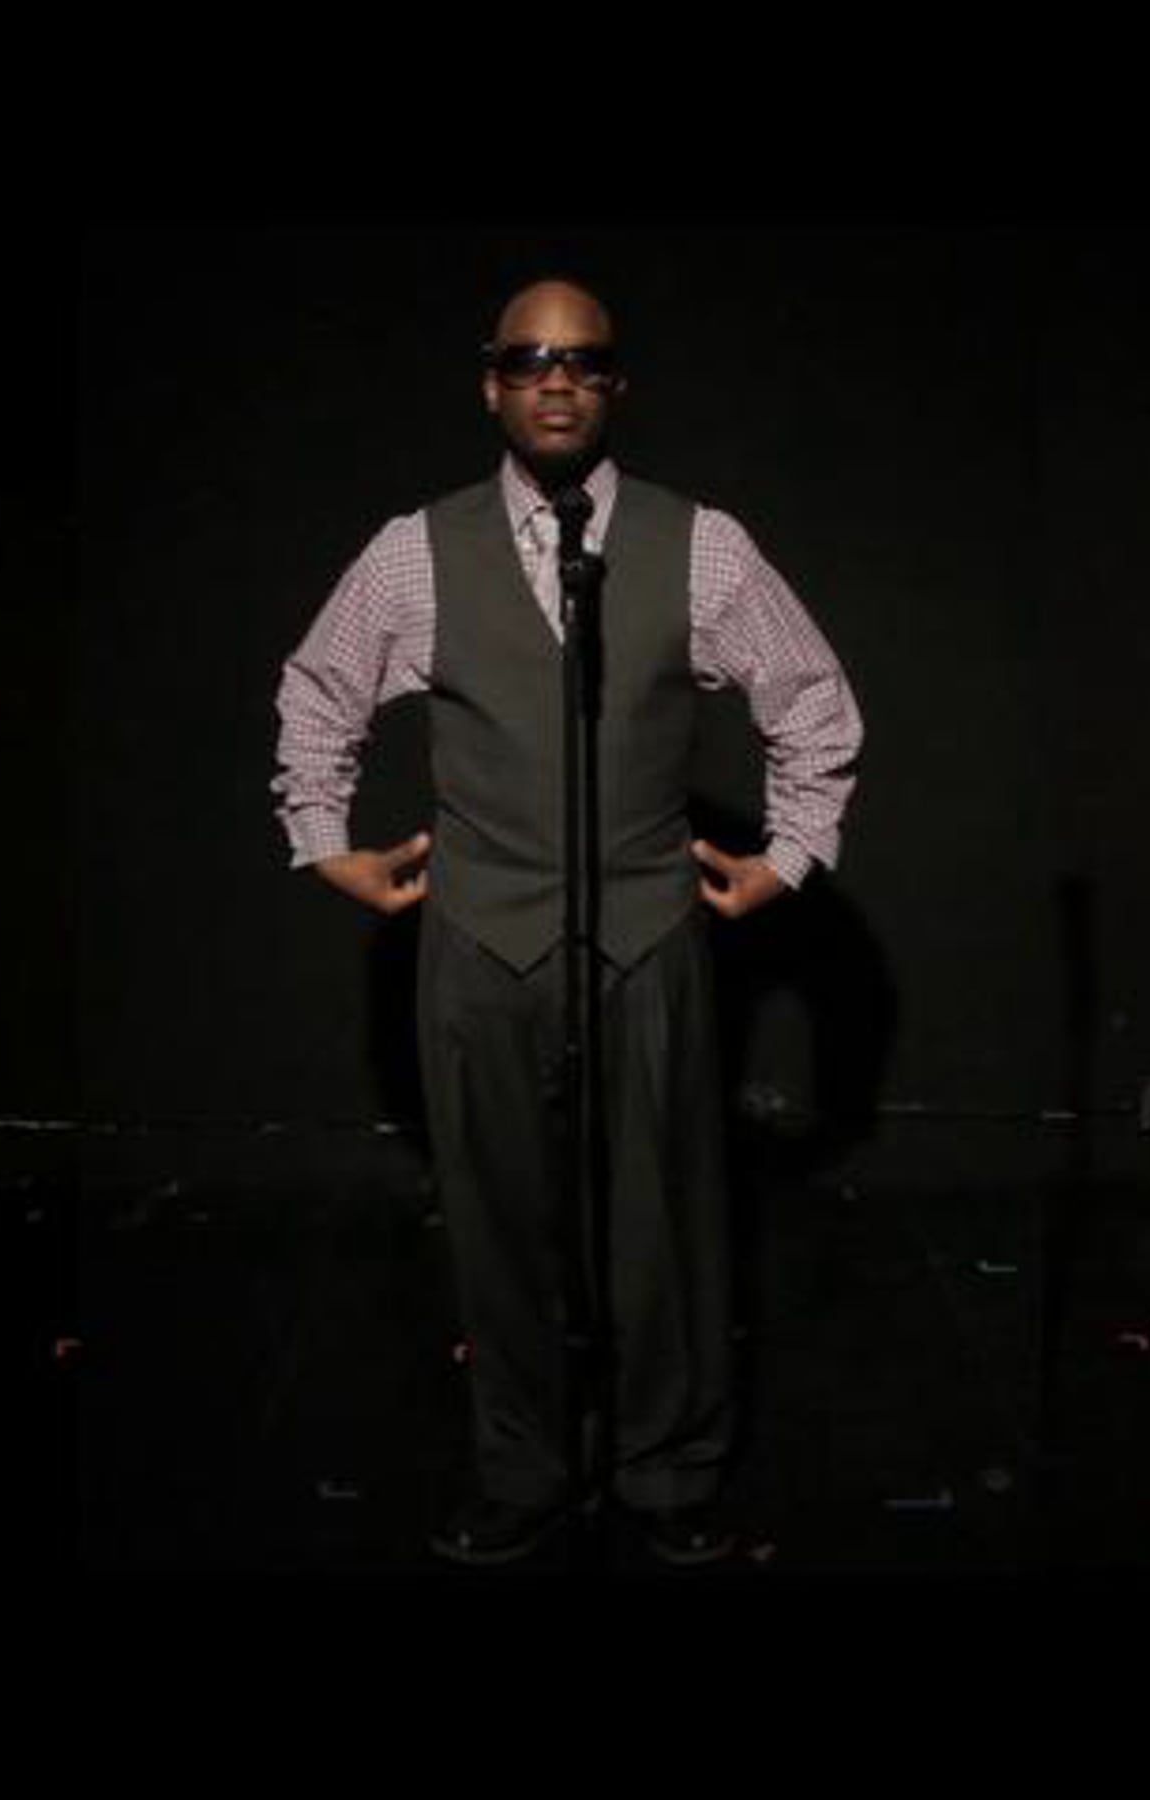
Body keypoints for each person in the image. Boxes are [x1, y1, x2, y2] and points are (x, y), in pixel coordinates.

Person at [272, 278, 863, 1564]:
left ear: (615, 387)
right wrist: (326, 843)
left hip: (648, 930)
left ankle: (668, 1469)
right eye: (530, 359)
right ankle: (523, 1464)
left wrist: (791, 854)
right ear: (492, 383)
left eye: (583, 362)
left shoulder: (701, 543)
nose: (557, 380)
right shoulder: (413, 549)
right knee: (496, 1218)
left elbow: (811, 696)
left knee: (666, 1221)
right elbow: (319, 692)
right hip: (479, 933)